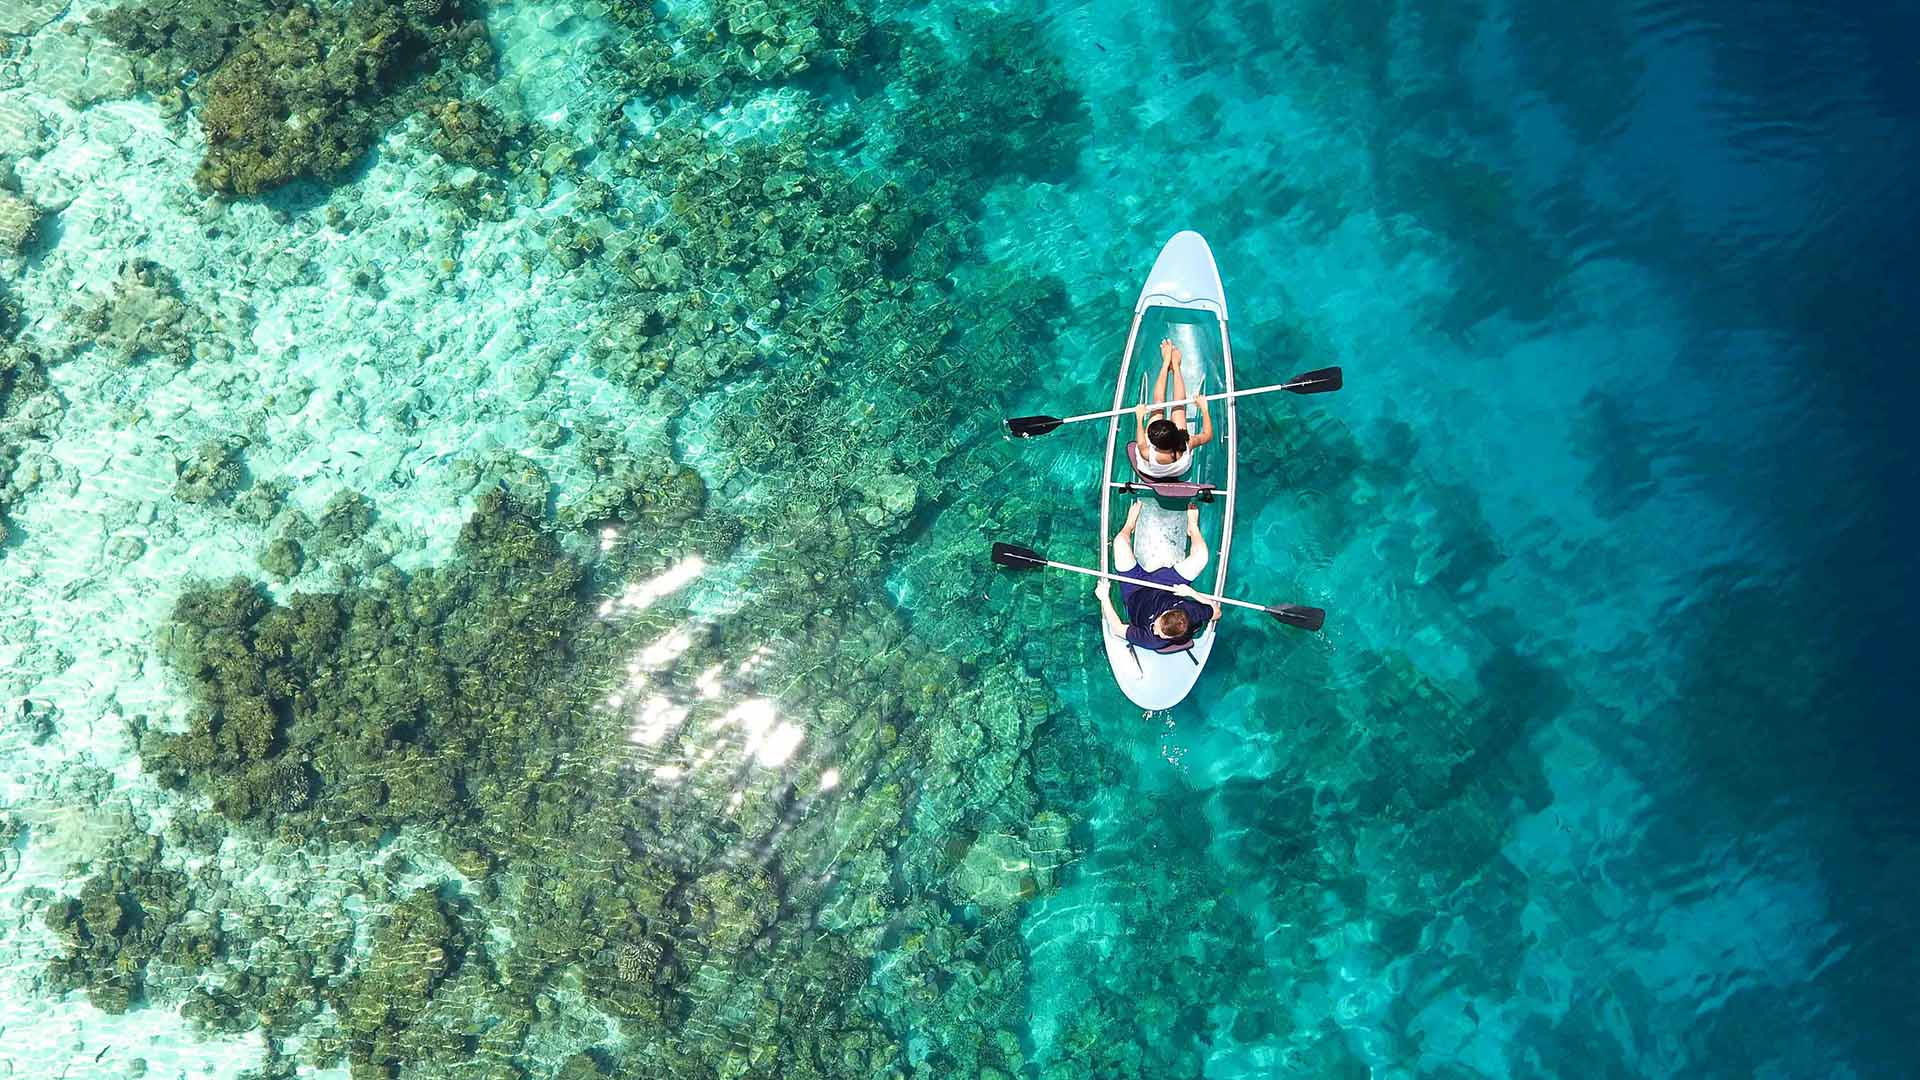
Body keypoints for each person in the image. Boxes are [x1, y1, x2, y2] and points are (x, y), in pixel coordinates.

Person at [1094, 502, 1223, 652]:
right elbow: (1217, 613)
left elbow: (1117, 628)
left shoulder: (1151, 640)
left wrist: (1104, 598)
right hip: (1166, 586)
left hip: (1135, 592)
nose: (1155, 631)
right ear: (1167, 612)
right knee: (1201, 557)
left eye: (1160, 633)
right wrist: (1191, 593)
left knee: (1120, 543)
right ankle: (1191, 528)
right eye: (1157, 625)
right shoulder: (1190, 611)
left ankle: (1129, 527)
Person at [1131, 338, 1214, 480]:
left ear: (1153, 442)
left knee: (1157, 406)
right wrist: (1204, 409)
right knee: (1178, 408)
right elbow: (1207, 435)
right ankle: (1175, 365)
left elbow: (1140, 440)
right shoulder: (1186, 444)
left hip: (1152, 471)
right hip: (1179, 470)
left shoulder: (1146, 452)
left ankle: (1166, 364)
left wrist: (1139, 419)